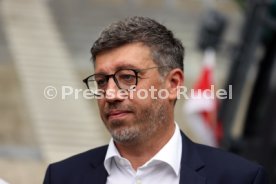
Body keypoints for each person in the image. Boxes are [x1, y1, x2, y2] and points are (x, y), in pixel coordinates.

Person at [43, 16, 268, 184]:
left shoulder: (240, 178)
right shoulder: (62, 177)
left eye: (127, 77)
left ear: (172, 84)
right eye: (101, 81)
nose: (110, 94)